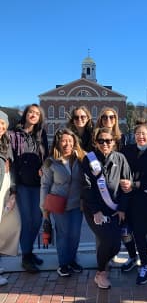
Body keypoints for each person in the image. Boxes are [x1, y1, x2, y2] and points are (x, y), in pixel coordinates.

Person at [82, 127, 132, 289]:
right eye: (101, 141)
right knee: (107, 239)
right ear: (96, 143)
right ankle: (101, 273)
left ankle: (102, 266)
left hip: (115, 209)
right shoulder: (89, 159)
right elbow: (86, 187)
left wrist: (123, 208)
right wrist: (96, 211)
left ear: (114, 142)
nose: (105, 144)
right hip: (94, 210)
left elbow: (126, 184)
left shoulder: (120, 158)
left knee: (116, 245)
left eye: (108, 141)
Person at [120, 122, 147, 285]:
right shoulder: (127, 150)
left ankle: (145, 265)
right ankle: (132, 257)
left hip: (143, 198)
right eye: (138, 133)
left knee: (139, 233)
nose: (141, 136)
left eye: (144, 133)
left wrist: (137, 184)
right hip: (125, 196)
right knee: (124, 230)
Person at [40, 128, 86, 277]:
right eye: (64, 141)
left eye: (70, 141)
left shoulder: (81, 159)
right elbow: (45, 185)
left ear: (74, 142)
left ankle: (72, 260)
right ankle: (63, 264)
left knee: (75, 235)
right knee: (63, 234)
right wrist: (44, 208)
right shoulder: (50, 162)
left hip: (76, 204)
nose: (67, 144)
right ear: (58, 143)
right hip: (58, 204)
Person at [9, 104, 49, 273]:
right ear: (25, 114)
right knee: (28, 221)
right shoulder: (13, 135)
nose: (33, 115)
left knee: (37, 221)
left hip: (39, 184)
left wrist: (45, 168)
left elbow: (46, 156)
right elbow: (9, 161)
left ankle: (29, 252)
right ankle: (26, 257)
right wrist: (13, 185)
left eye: (37, 114)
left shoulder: (41, 134)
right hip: (23, 184)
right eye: (31, 112)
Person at [0, 111, 21, 286]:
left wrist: (13, 192)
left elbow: (11, 168)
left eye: (2, 123)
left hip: (6, 187)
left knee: (10, 225)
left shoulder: (5, 143)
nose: (0, 127)